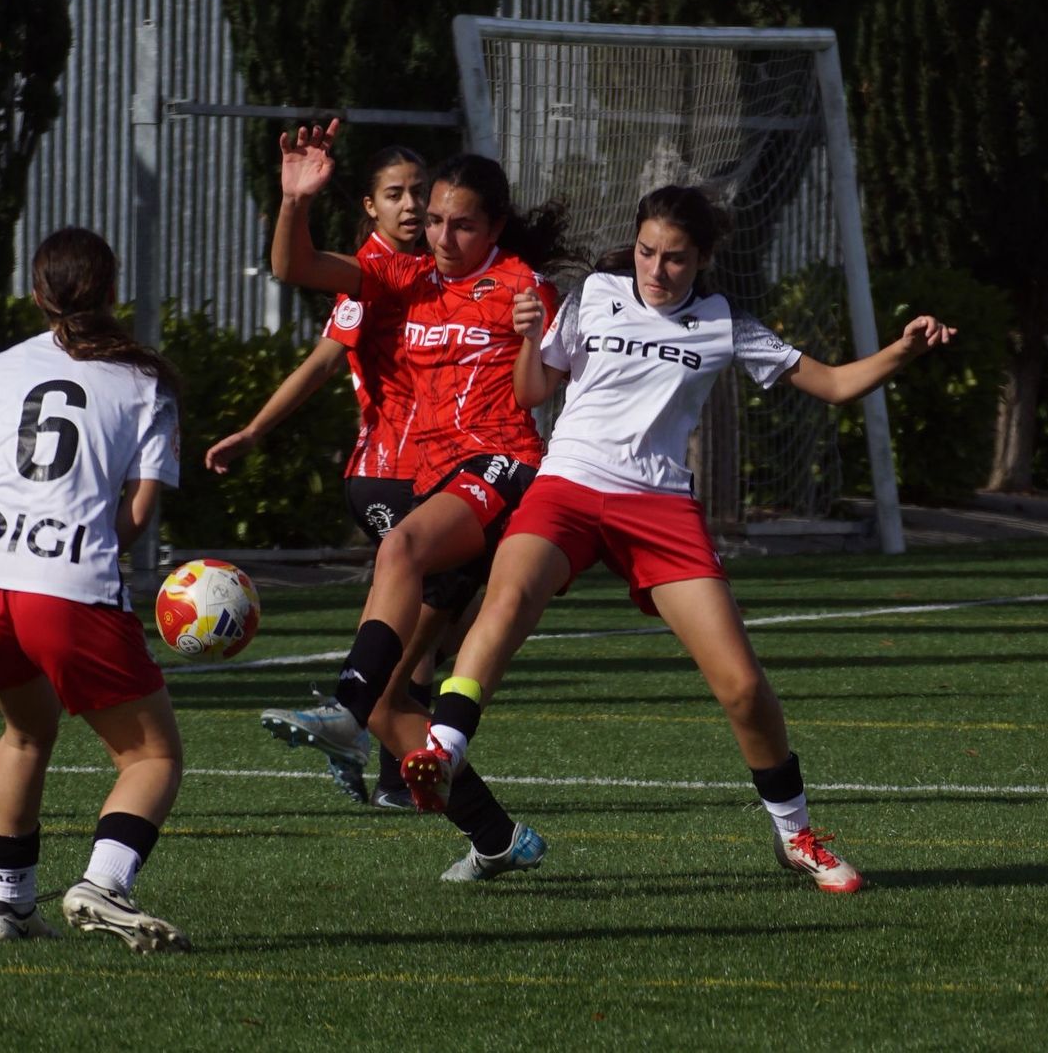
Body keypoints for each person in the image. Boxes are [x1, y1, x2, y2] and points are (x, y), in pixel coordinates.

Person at [399, 186, 956, 891]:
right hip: (568, 484)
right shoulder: (595, 293)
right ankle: (443, 750)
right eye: (647, 252)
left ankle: (795, 835)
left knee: (743, 686)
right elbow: (534, 393)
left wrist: (903, 350)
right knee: (505, 602)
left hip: (658, 506)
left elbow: (838, 384)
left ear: (704, 259)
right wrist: (529, 338)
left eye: (675, 259)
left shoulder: (725, 322)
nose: (656, 270)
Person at [271, 119, 571, 878]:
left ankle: (342, 706)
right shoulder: (405, 278)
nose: (441, 235)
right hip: (434, 488)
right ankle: (496, 837)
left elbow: (541, 392)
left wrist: (537, 337)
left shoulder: (523, 288)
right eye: (433, 219)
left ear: (495, 226)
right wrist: (294, 201)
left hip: (503, 469)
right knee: (391, 701)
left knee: (398, 554)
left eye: (461, 223)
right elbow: (296, 265)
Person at [0, 227, 190, 951]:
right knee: (152, 756)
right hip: (65, 585)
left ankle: (9, 907)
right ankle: (103, 882)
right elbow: (139, 505)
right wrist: (92, 551)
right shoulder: (145, 379)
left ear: (36, 296)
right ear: (112, 290)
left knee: (26, 731)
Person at [205, 144, 469, 810]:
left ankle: (387, 768)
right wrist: (257, 431)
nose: (410, 205)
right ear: (370, 206)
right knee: (414, 634)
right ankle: (373, 744)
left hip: (432, 477)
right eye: (395, 193)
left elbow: (324, 357)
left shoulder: (423, 269)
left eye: (419, 192)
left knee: (435, 636)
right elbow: (305, 301)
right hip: (390, 478)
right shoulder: (374, 270)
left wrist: (257, 430)